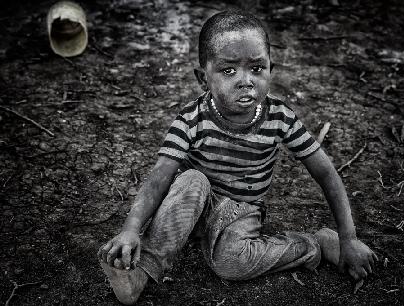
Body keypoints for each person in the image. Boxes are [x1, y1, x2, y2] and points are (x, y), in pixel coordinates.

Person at [97, 11, 377, 305]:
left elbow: (326, 173)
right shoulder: (191, 120)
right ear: (202, 78)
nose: (246, 81)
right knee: (191, 179)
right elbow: (159, 177)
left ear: (271, 68)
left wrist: (348, 238)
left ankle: (315, 244)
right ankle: (142, 271)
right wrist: (130, 229)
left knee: (229, 264)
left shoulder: (280, 118)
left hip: (241, 213)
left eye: (257, 68)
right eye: (229, 71)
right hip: (194, 205)